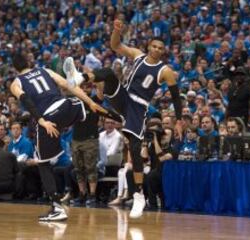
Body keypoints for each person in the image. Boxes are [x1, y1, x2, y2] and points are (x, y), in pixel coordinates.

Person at [63, 19, 183, 218]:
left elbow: (176, 97)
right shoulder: (137, 55)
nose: (156, 49)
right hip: (124, 97)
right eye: (154, 46)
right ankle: (78, 79)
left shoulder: (166, 71)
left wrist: (178, 120)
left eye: (160, 48)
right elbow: (115, 45)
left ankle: (138, 194)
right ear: (148, 47)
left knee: (135, 148)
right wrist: (116, 31)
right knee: (109, 73)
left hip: (139, 107)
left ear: (163, 51)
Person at [10, 52, 108, 222]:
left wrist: (42, 121)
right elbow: (68, 85)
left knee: (42, 163)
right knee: (93, 109)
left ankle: (57, 208)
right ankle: (122, 115)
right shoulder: (45, 70)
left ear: (14, 68)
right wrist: (89, 101)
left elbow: (27, 101)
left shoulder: (16, 83)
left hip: (48, 116)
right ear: (29, 61)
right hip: (65, 105)